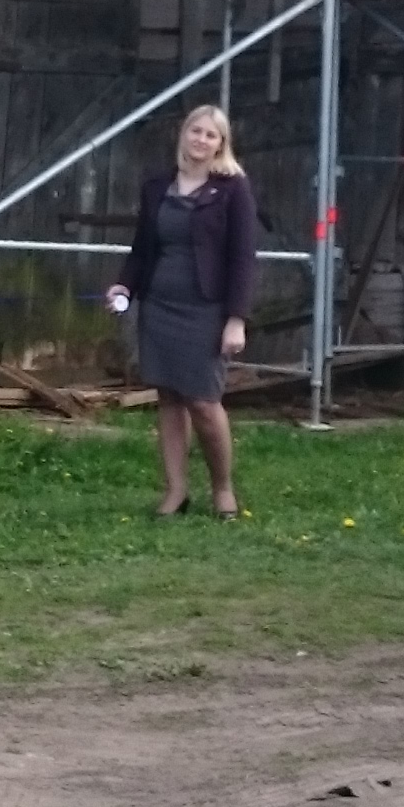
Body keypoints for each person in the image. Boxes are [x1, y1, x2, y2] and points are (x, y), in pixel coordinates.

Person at [105, 101, 261, 518]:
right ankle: (176, 492)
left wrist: (236, 319)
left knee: (204, 403)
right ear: (183, 133)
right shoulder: (158, 186)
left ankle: (223, 489)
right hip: (159, 306)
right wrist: (124, 285)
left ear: (221, 144)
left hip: (206, 310)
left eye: (211, 135)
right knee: (169, 399)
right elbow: (142, 250)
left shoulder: (232, 189)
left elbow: (243, 259)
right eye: (196, 131)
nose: (201, 140)